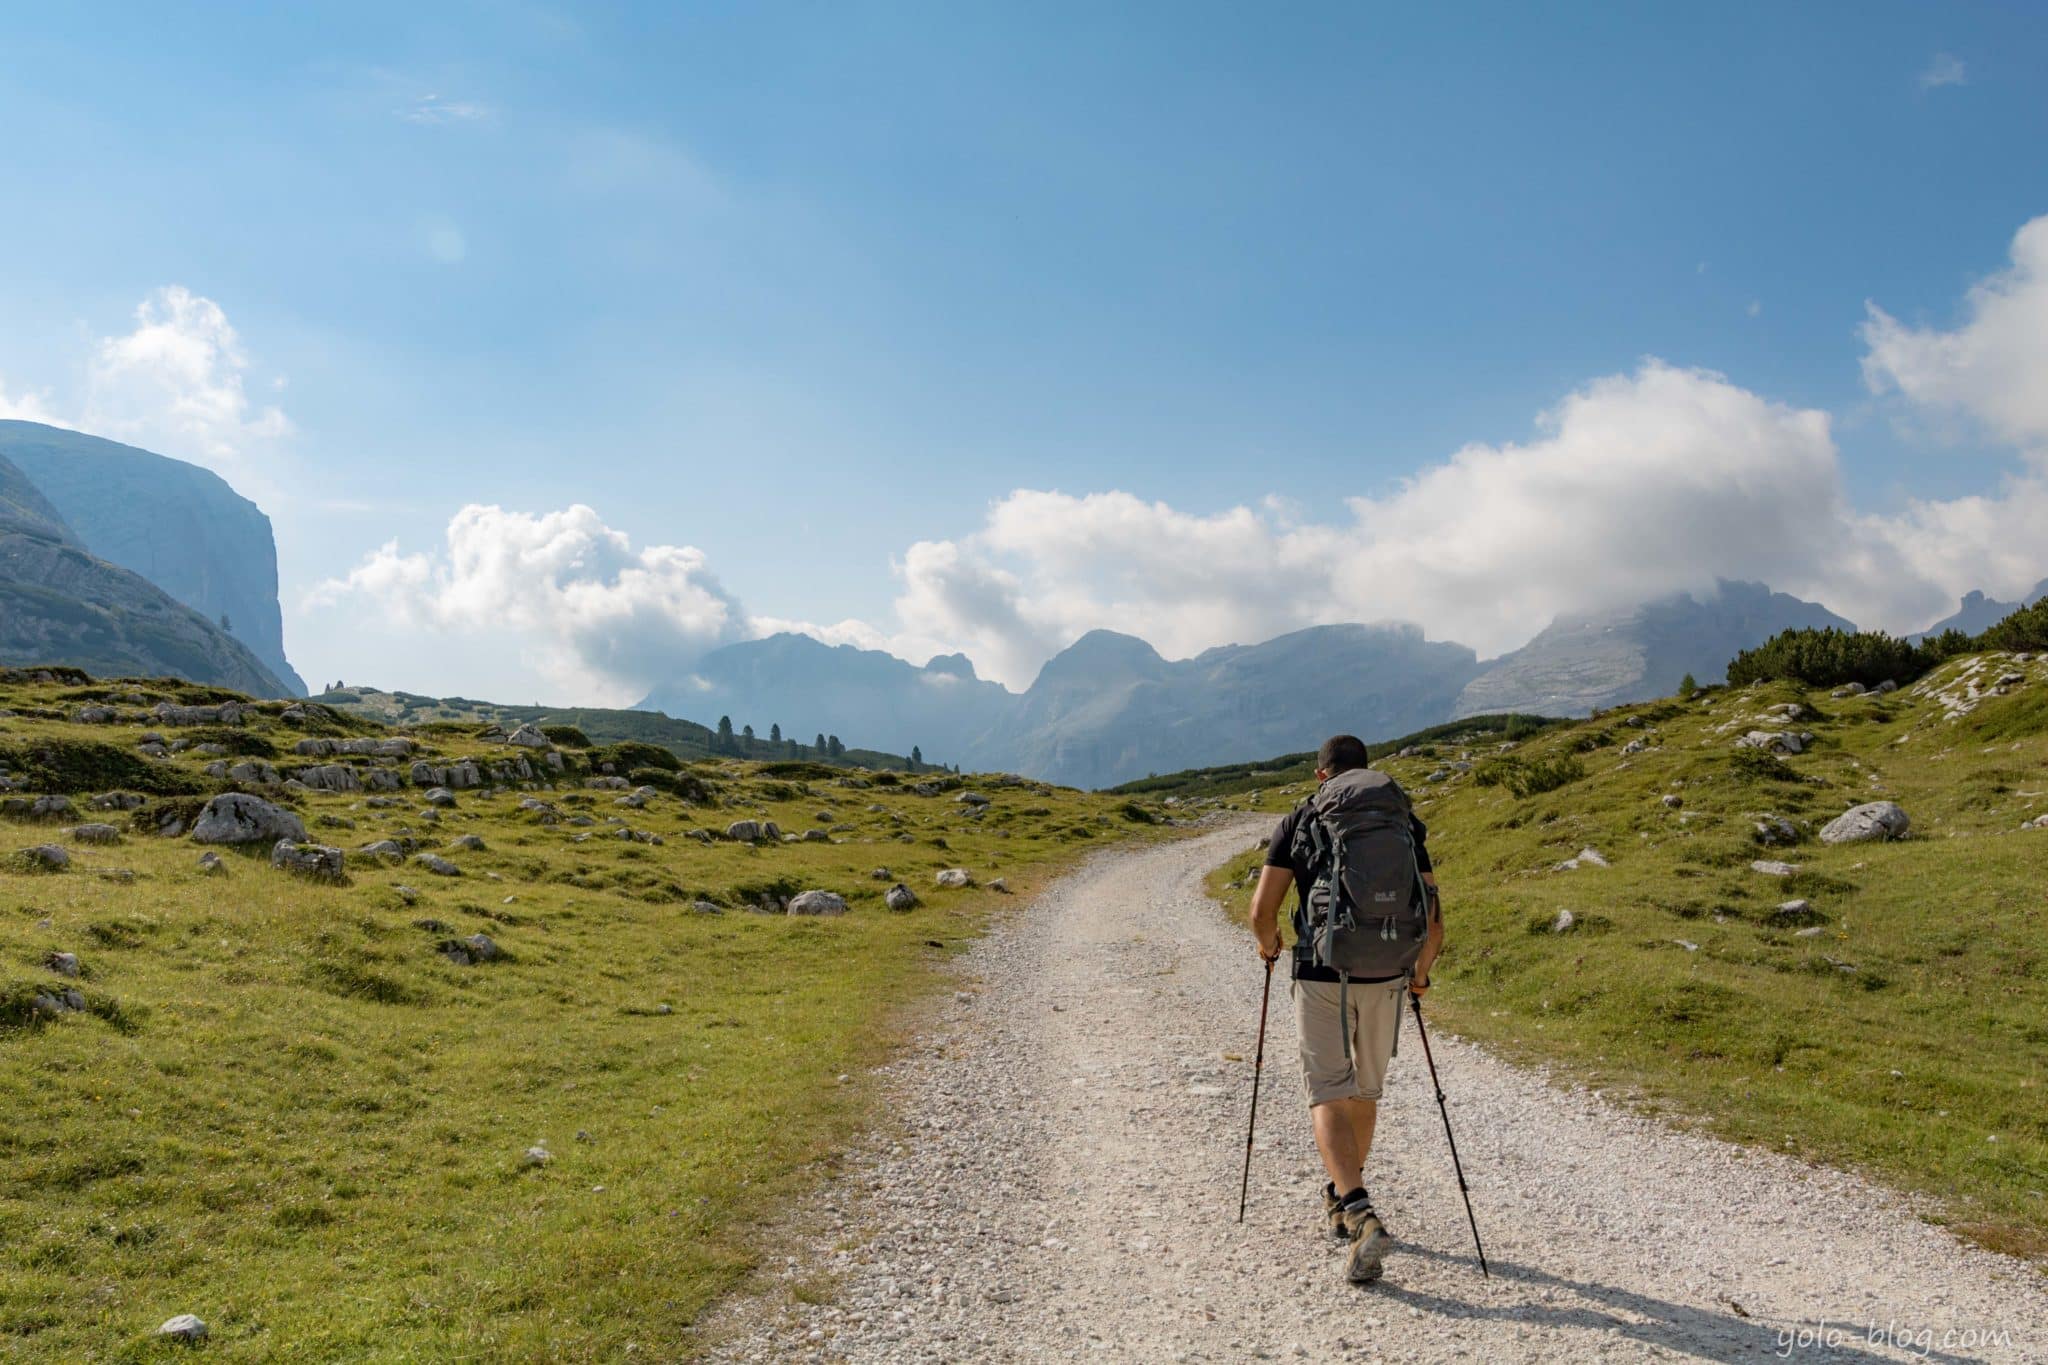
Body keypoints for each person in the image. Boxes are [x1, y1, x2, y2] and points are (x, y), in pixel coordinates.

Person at [1248, 734, 1442, 1284]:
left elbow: (1262, 911)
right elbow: (1433, 918)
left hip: (1321, 972)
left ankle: (1357, 1210)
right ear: (1366, 771)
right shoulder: (1401, 822)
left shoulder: (1302, 818)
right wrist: (1420, 976)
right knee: (1365, 1090)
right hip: (1387, 973)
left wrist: (1269, 946)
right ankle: (1341, 1194)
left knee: (1328, 1089)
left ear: (1321, 774)